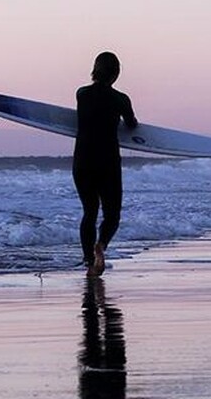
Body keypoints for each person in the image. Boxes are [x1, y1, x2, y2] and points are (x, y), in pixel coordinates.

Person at [74, 52, 138, 276]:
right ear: (116, 72)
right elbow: (131, 124)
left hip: (82, 160)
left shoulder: (81, 94)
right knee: (112, 215)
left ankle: (89, 262)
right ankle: (101, 245)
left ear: (95, 69)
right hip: (108, 161)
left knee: (89, 212)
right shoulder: (120, 99)